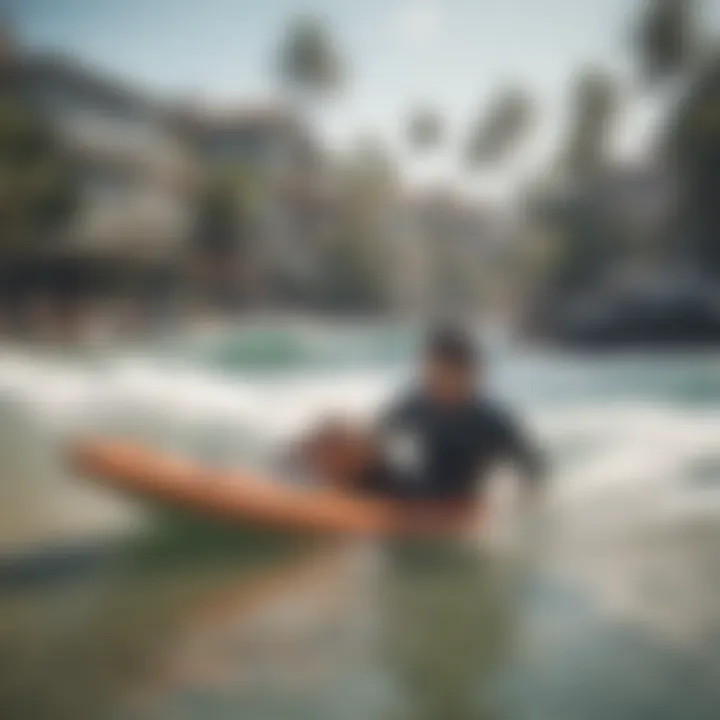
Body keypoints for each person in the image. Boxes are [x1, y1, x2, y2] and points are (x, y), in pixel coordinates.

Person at [294, 325, 544, 518]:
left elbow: (533, 468)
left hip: (448, 503)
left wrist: (507, 511)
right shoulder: (415, 403)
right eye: (431, 370)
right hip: (407, 491)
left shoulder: (490, 420)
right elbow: (376, 437)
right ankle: (292, 487)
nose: (434, 379)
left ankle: (312, 502)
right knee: (335, 428)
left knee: (346, 438)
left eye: (446, 372)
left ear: (470, 375)